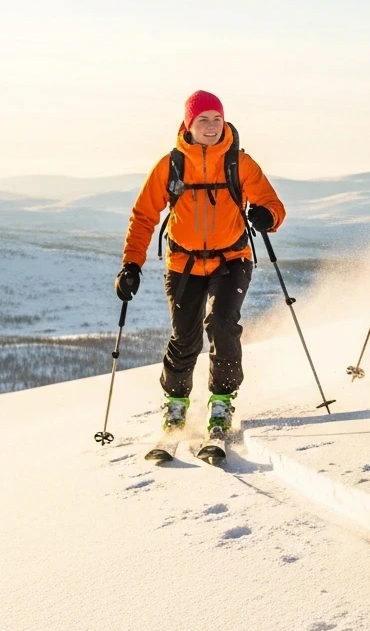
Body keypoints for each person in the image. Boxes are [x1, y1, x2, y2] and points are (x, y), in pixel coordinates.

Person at [115, 91, 285, 437]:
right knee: (185, 335)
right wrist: (131, 265)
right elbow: (144, 215)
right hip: (183, 264)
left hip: (232, 259)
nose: (211, 126)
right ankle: (176, 403)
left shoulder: (240, 162)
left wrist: (267, 216)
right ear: (188, 124)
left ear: (225, 122)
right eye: (202, 120)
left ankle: (221, 400)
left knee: (222, 324)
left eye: (217, 119)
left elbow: (273, 204)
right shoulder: (171, 164)